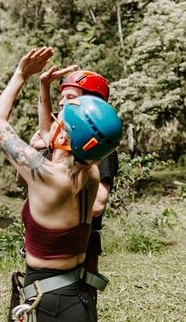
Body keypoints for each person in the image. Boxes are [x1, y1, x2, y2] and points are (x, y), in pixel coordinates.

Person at [0, 47, 122, 322]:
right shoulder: (90, 173)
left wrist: (20, 74)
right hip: (76, 297)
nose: (57, 119)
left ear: (66, 134)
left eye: (63, 117)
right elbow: (61, 143)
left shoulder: (46, 176)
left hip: (46, 300)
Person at [31, 68, 119, 317]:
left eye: (69, 97)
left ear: (91, 103)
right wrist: (43, 86)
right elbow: (45, 128)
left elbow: (98, 203)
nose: (61, 103)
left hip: (77, 250)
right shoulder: (64, 143)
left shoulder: (97, 146)